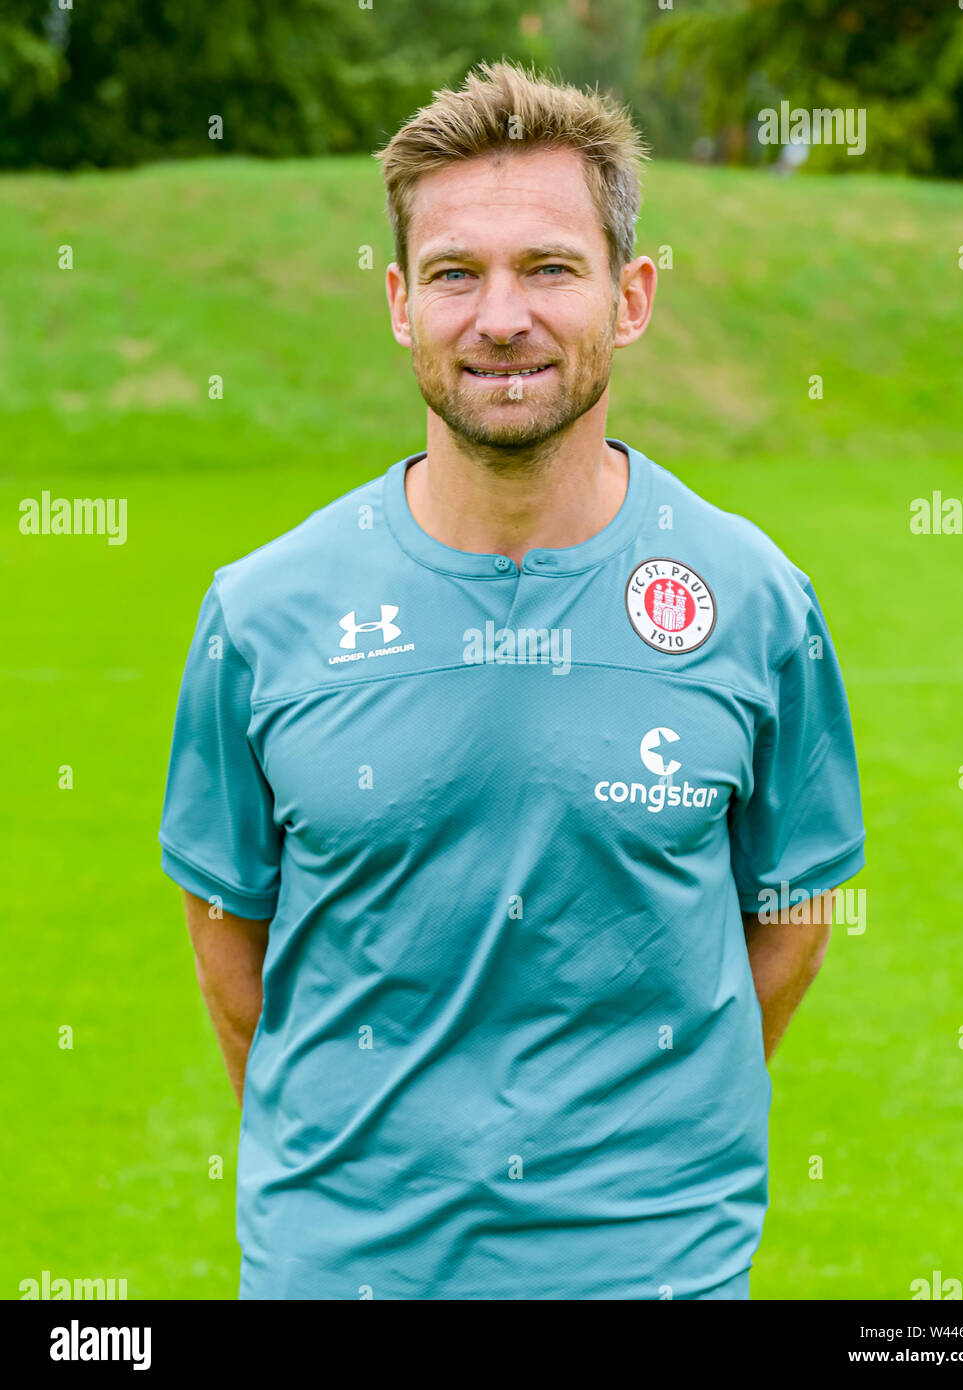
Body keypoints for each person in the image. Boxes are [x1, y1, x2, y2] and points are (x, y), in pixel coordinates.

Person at [159, 60, 865, 1300]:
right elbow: (228, 946)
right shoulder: (262, 613)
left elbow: (792, 914)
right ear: (397, 302)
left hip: (653, 1273)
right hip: (344, 1271)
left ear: (630, 294)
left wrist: (650, 1140)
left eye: (547, 268)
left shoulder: (752, 601)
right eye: (454, 274)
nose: (500, 318)